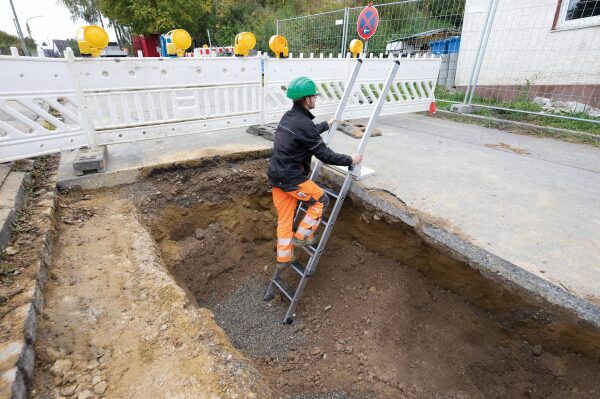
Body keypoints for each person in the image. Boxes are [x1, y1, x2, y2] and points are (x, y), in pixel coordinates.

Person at [267, 76, 363, 269]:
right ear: (307, 99)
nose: (316, 99)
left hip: (276, 175)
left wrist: (325, 125)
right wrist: (350, 160)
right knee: (321, 200)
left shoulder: (290, 117)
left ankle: (283, 258)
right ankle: (302, 236)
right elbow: (324, 154)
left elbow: (306, 133)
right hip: (291, 178)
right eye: (314, 96)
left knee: (285, 219)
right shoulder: (302, 123)